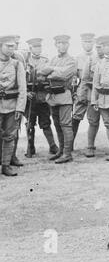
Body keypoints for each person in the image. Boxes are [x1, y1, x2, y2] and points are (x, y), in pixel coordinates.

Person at [38, 35, 77, 164]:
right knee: (57, 124)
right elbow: (41, 73)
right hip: (52, 97)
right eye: (59, 43)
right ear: (55, 45)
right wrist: (52, 72)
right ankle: (61, 151)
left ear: (68, 45)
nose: (62, 45)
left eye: (65, 43)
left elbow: (64, 74)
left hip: (64, 96)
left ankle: (67, 153)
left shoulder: (71, 60)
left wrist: (52, 70)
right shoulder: (53, 59)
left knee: (66, 125)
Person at [24, 38, 58, 157]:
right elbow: (21, 80)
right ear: (30, 48)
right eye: (35, 47)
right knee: (30, 124)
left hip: (42, 97)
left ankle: (53, 146)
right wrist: (26, 92)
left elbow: (50, 78)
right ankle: (30, 147)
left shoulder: (46, 61)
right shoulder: (25, 62)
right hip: (30, 98)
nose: (38, 49)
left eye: (39, 47)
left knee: (46, 123)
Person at [0, 35, 27, 176]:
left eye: (13, 46)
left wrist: (20, 108)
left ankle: (5, 165)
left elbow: (23, 89)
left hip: (12, 106)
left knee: (9, 136)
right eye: (8, 46)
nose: (11, 49)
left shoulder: (17, 64)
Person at [75, 37, 104, 157]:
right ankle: (90, 146)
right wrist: (81, 95)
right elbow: (84, 79)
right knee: (93, 121)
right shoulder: (91, 60)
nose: (100, 49)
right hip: (93, 94)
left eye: (102, 46)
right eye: (97, 47)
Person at [72, 33, 97, 143]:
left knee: (93, 120)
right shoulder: (77, 58)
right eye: (85, 42)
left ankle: (90, 146)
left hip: (93, 92)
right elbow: (74, 77)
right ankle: (69, 144)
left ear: (94, 42)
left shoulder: (98, 57)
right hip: (81, 91)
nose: (88, 44)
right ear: (82, 43)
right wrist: (73, 92)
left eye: (90, 41)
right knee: (76, 117)